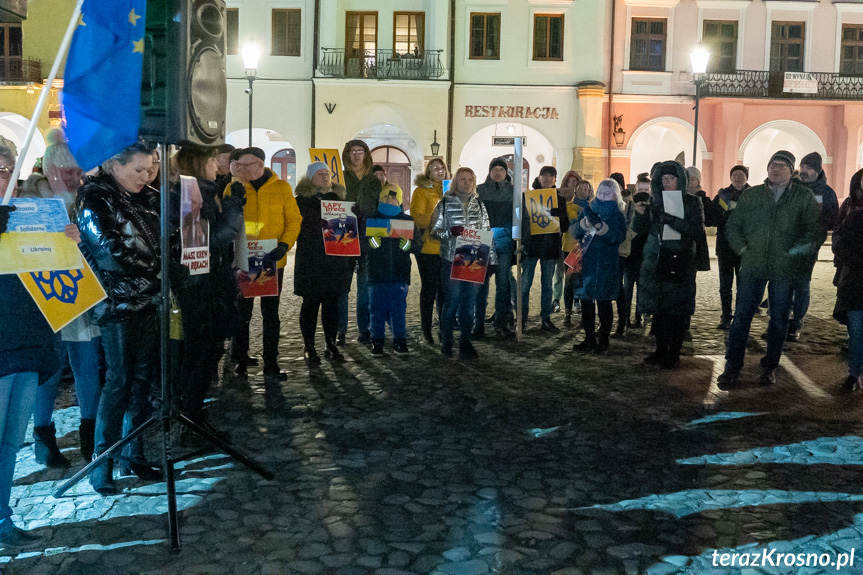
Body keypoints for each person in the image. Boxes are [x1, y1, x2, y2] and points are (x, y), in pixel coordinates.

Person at [76, 143, 163, 494]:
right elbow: (109, 251)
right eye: (139, 170)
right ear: (114, 165)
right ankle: (102, 462)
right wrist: (159, 268)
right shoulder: (94, 197)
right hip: (117, 302)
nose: (146, 176)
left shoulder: (149, 197)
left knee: (143, 380)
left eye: (151, 169)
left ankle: (134, 453)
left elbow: (164, 239)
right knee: (119, 381)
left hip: (149, 299)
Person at [19, 130, 100, 467]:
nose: (76, 179)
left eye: (79, 173)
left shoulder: (87, 200)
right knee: (49, 371)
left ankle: (90, 433)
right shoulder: (27, 203)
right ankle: (43, 436)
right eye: (69, 173)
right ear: (52, 170)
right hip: (45, 298)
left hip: (83, 294)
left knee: (88, 364)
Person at [717, 151, 821, 388]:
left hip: (783, 269)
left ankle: (770, 366)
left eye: (782, 166)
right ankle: (732, 366)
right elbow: (733, 226)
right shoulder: (751, 196)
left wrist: (794, 254)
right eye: (773, 165)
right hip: (752, 266)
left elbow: (813, 233)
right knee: (741, 318)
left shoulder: (803, 198)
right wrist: (742, 249)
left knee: (778, 320)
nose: (776, 169)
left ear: (791, 170)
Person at [0, 195, 63, 546]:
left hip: (28, 338)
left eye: (6, 168)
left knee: (10, 442)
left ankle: (2, 521)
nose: (2, 175)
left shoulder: (24, 214)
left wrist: (66, 242)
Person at [172, 145, 243, 436]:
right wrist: (235, 208)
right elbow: (211, 240)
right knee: (202, 351)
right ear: (201, 162)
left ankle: (192, 411)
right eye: (213, 159)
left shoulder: (201, 190)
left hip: (205, 281)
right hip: (201, 286)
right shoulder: (193, 195)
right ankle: (191, 415)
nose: (218, 164)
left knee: (202, 351)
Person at [224, 147, 301, 381]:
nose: (244, 171)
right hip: (244, 258)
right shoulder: (233, 188)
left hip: (271, 260)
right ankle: (240, 358)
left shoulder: (281, 188)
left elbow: (294, 219)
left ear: (260, 164)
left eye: (249, 166)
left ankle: (271, 362)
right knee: (242, 314)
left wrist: (285, 245)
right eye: (240, 166)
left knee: (271, 315)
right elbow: (227, 221)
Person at [632, 161, 705, 369]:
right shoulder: (654, 201)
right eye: (663, 179)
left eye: (671, 178)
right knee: (660, 309)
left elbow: (696, 231)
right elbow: (639, 228)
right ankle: (660, 350)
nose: (666, 182)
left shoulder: (692, 202)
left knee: (677, 310)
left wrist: (669, 219)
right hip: (656, 259)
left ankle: (674, 353)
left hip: (680, 259)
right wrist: (640, 213)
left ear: (680, 180)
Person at [430, 167, 495, 359]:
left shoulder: (480, 205)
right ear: (455, 182)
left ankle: (465, 341)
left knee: (469, 305)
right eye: (462, 179)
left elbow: (487, 232)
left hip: (474, 259)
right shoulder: (444, 204)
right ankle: (447, 340)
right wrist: (450, 233)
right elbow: (434, 231)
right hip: (451, 260)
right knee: (452, 302)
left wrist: (492, 259)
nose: (466, 183)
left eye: (470, 180)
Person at [293, 162, 353, 366]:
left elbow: (349, 227)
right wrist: (314, 224)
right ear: (310, 178)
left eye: (327, 173)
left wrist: (356, 217)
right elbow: (297, 226)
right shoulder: (301, 201)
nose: (325, 177)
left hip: (335, 262)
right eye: (320, 174)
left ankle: (331, 343)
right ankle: (309, 346)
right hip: (311, 261)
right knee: (310, 304)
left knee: (332, 305)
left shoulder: (339, 199)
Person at [571, 179, 628, 353]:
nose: (602, 195)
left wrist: (603, 228)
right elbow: (574, 231)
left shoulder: (617, 214)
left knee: (604, 302)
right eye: (601, 192)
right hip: (586, 261)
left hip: (606, 263)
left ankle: (603, 339)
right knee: (586, 302)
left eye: (607, 193)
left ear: (614, 195)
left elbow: (619, 236)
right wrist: (583, 225)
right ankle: (589, 338)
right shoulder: (589, 208)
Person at [786, 152, 839, 341]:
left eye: (809, 168)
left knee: (801, 284)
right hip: (786, 243)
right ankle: (779, 321)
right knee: (782, 283)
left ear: (817, 171)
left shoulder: (826, 192)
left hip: (809, 247)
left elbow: (833, 219)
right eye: (802, 166)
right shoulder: (791, 187)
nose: (804, 171)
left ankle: (796, 322)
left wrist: (815, 228)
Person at [340, 140, 382, 345]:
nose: (356, 155)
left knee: (365, 287)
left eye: (360, 151)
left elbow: (378, 209)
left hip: (366, 237)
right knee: (342, 287)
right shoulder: (339, 177)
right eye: (352, 151)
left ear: (366, 155)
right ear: (346, 154)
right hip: (343, 237)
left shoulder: (373, 181)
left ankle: (364, 328)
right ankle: (340, 330)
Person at [367, 188, 414, 356]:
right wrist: (369, 243)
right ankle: (377, 341)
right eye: (386, 198)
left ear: (400, 201)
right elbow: (359, 243)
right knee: (376, 309)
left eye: (394, 199)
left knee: (398, 309)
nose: (390, 201)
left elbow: (418, 244)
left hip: (399, 273)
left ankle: (399, 340)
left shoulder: (407, 220)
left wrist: (408, 245)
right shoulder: (372, 219)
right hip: (376, 274)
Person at [521, 165, 568, 333]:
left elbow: (565, 225)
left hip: (550, 246)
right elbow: (522, 221)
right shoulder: (528, 196)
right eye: (544, 175)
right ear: (539, 177)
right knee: (525, 284)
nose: (547, 178)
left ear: (555, 179)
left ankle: (545, 319)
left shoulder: (559, 199)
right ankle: (522, 318)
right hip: (531, 245)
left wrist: (556, 213)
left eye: (551, 176)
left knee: (547, 285)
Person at [476, 157, 515, 338]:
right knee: (480, 283)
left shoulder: (514, 192)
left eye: (501, 169)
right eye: (495, 169)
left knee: (503, 283)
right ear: (490, 172)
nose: (498, 172)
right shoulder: (479, 191)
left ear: (506, 172)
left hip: (505, 241)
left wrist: (522, 240)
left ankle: (501, 320)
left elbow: (521, 217)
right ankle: (478, 323)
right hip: (483, 240)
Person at [410, 158, 448, 344]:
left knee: (445, 291)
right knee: (429, 289)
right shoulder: (421, 191)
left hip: (448, 248)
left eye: (442, 168)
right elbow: (417, 219)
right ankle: (426, 329)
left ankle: (444, 327)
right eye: (435, 168)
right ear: (428, 172)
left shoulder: (450, 191)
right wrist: (438, 219)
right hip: (428, 248)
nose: (440, 171)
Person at [707, 165, 749, 330]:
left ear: (746, 177)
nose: (738, 178)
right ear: (731, 177)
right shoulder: (722, 195)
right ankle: (726, 316)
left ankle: (740, 316)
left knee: (742, 284)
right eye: (735, 175)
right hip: (724, 246)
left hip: (744, 247)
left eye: (741, 175)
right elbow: (713, 216)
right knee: (725, 285)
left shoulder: (753, 194)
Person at [832, 168, 863, 393]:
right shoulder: (851, 211)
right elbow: (839, 240)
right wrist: (853, 261)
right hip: (855, 279)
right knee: (856, 331)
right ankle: (854, 373)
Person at [560, 174, 592, 328]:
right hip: (570, 247)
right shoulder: (569, 206)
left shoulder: (592, 207)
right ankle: (568, 313)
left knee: (584, 281)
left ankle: (584, 317)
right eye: (581, 189)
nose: (583, 191)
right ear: (575, 191)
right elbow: (574, 224)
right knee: (569, 282)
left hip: (587, 249)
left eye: (586, 189)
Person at [624, 173, 651, 329]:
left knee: (643, 286)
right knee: (627, 286)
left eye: (646, 189)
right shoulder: (628, 206)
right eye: (641, 189)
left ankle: (639, 315)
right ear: (635, 190)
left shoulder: (653, 207)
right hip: (630, 251)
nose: (643, 192)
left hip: (646, 251)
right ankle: (625, 316)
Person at [609, 172, 634, 337]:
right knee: (608, 286)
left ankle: (622, 322)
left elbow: (633, 228)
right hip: (606, 249)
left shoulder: (629, 204)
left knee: (618, 286)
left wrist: (620, 235)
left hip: (621, 250)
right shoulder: (606, 201)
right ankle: (609, 322)